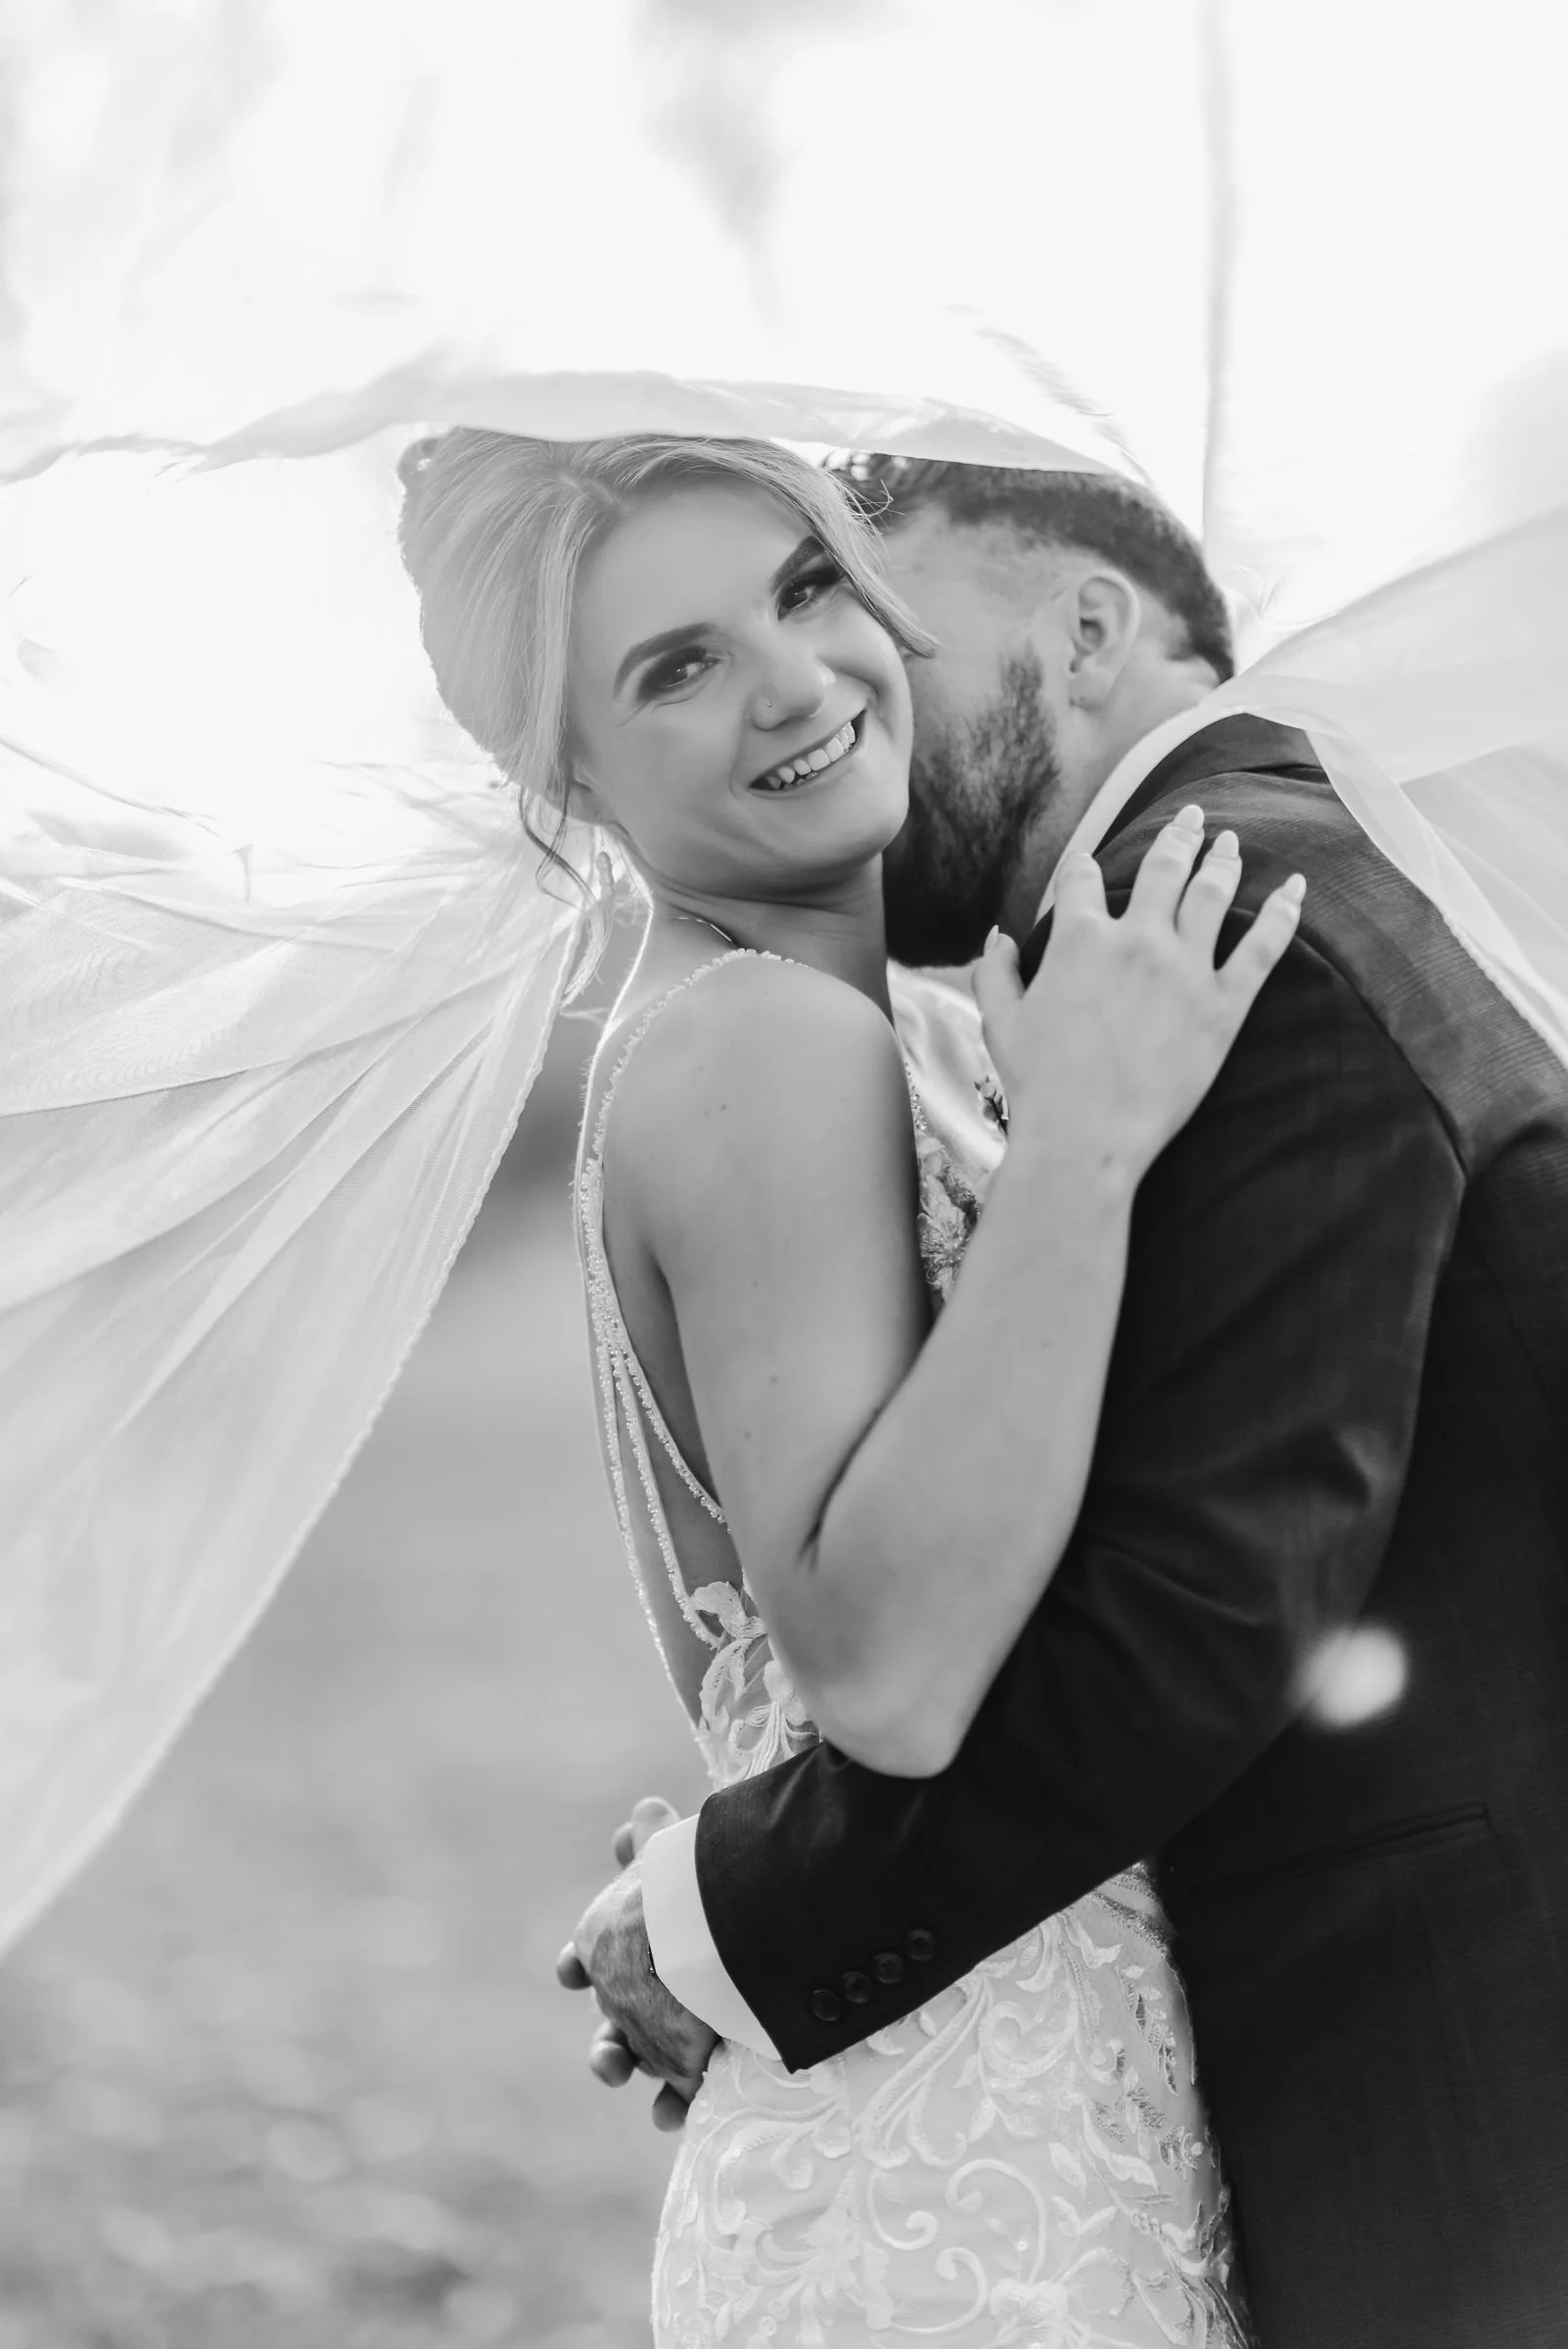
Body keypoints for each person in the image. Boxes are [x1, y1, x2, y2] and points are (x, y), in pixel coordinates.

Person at [569, 456, 1568, 2349]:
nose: (822, 677)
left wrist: (725, 1912)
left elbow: (1188, 1609)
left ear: (1084, 632)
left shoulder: (1232, 915)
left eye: (851, 599)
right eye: (683, 663)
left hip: (1422, 2064)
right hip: (1021, 2124)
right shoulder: (959, 1013)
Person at [396, 429, 1306, 2342]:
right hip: (972, 2169)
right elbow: (882, 1673)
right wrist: (1085, 1155)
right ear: (557, 772)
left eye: (808, 587)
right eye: (677, 666)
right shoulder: (761, 1048)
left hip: (992, 2088)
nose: (797, 680)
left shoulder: (877, 1028)